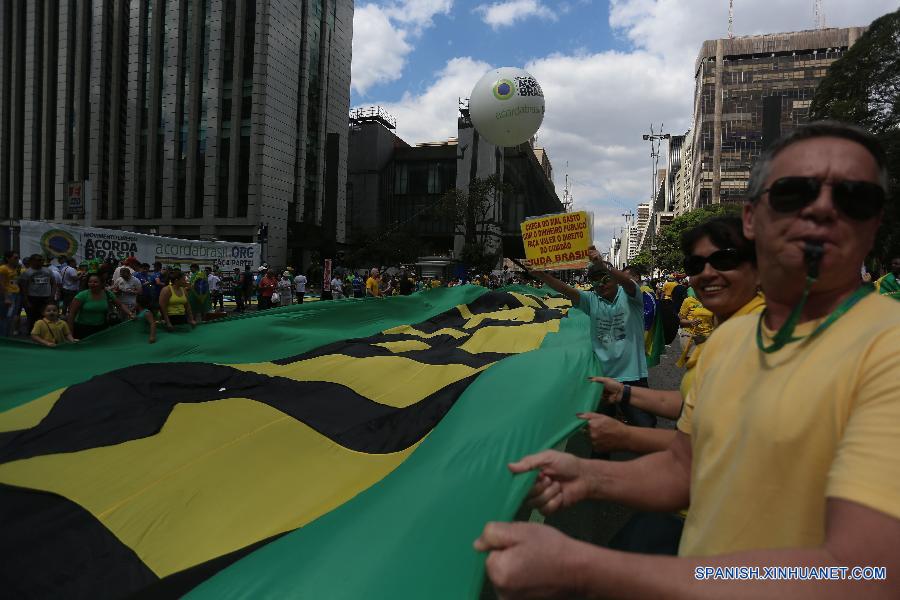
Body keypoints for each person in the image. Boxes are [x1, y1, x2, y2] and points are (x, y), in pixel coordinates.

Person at [475, 122, 900, 597]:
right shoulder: (732, 336)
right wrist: (589, 475)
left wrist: (586, 567)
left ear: (876, 222)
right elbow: (686, 467)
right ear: (752, 219)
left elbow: (863, 573)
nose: (823, 208)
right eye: (793, 193)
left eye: (854, 197)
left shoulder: (888, 350)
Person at [530, 250, 655, 429]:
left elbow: (627, 282)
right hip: (602, 377)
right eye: (595, 281)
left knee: (646, 429)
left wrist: (603, 264)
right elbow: (565, 290)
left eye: (604, 279)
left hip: (632, 376)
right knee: (600, 433)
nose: (600, 284)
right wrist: (542, 275)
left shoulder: (631, 296)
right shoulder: (591, 300)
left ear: (614, 279)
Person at [68, 273, 133, 339]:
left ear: (102, 283)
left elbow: (120, 305)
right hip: (82, 328)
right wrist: (70, 333)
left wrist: (130, 314)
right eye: (90, 282)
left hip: (101, 328)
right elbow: (71, 314)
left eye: (95, 282)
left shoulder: (107, 293)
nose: (92, 284)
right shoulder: (82, 295)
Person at [20, 254, 58, 334]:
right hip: (32, 297)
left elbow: (54, 283)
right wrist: (26, 300)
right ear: (32, 261)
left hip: (46, 297)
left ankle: (45, 333)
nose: (40, 262)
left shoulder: (48, 271)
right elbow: (24, 287)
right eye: (38, 260)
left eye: (41, 260)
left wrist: (52, 295)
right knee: (32, 317)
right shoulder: (27, 272)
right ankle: (31, 334)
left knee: (45, 316)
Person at [0, 250, 22, 336]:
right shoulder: (3, 268)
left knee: (12, 316)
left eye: (18, 258)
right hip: (8, 295)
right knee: (5, 316)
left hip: (16, 294)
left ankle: (8, 335)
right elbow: (1, 284)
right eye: (15, 258)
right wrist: (6, 297)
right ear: (8, 258)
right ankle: (3, 336)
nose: (17, 259)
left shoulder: (16, 269)